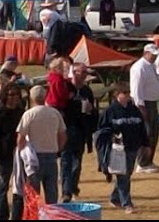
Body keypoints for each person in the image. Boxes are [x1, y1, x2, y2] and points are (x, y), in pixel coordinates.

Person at [16, 85, 67, 205]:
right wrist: (58, 149)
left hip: (34, 157)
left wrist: (21, 154)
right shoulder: (54, 113)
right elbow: (63, 135)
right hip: (51, 155)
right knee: (52, 193)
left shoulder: (29, 114)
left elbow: (20, 138)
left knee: (33, 194)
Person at [100, 86, 146, 214]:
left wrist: (146, 144)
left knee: (127, 174)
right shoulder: (110, 111)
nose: (127, 95)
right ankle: (127, 204)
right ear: (117, 94)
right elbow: (101, 130)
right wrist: (111, 136)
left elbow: (142, 127)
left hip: (133, 147)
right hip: (118, 149)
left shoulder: (134, 110)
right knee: (123, 176)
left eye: (128, 92)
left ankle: (115, 198)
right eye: (124, 92)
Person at [61, 62, 97, 203]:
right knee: (65, 162)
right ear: (73, 72)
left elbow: (93, 111)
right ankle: (66, 193)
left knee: (77, 163)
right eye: (81, 72)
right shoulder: (66, 88)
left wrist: (90, 111)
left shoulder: (87, 91)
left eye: (85, 73)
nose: (83, 76)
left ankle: (73, 187)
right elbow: (62, 107)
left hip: (81, 131)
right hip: (66, 129)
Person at [0, 82, 26, 221]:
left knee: (19, 187)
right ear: (5, 95)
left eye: (17, 94)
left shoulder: (21, 112)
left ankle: (17, 215)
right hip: (4, 155)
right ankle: (2, 216)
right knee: (3, 187)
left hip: (19, 154)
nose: (14, 97)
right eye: (11, 94)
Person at [129, 42, 159, 173]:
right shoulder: (139, 67)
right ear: (145, 53)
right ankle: (143, 162)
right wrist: (140, 106)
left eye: (156, 55)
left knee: (154, 132)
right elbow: (136, 88)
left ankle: (149, 161)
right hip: (144, 103)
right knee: (147, 133)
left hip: (152, 102)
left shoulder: (150, 65)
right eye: (152, 55)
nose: (154, 57)